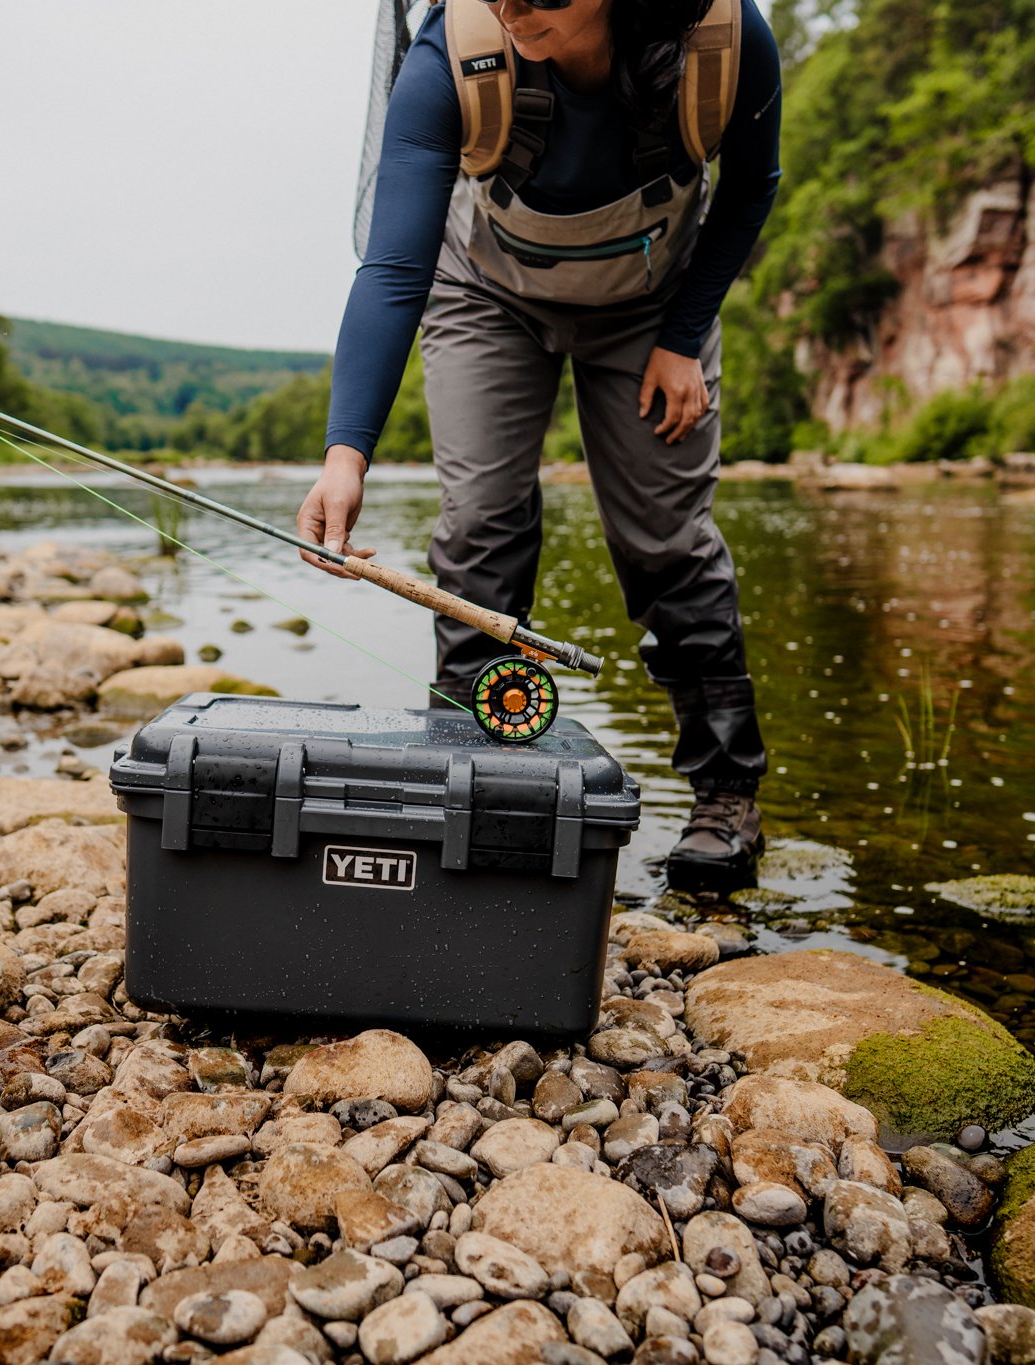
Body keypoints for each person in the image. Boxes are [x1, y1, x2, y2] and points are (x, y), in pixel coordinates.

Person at [295, 0, 783, 892]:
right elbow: (396, 266)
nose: (511, 8)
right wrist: (346, 451)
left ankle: (725, 795)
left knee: (664, 540)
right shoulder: (454, 49)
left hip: (652, 303)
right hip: (485, 290)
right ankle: (476, 775)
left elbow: (753, 184)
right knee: (479, 519)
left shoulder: (728, 37)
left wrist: (685, 334)